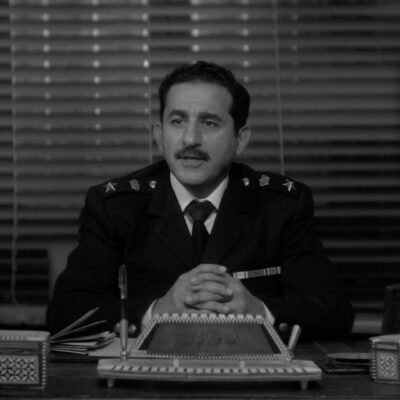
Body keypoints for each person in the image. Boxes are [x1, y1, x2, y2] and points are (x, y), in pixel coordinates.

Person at [46, 60, 354, 340]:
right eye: (177, 121)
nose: (190, 139)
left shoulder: (281, 206)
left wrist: (259, 310)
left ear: (240, 139)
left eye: (209, 123)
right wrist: (157, 311)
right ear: (159, 135)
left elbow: (335, 312)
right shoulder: (115, 207)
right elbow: (64, 313)